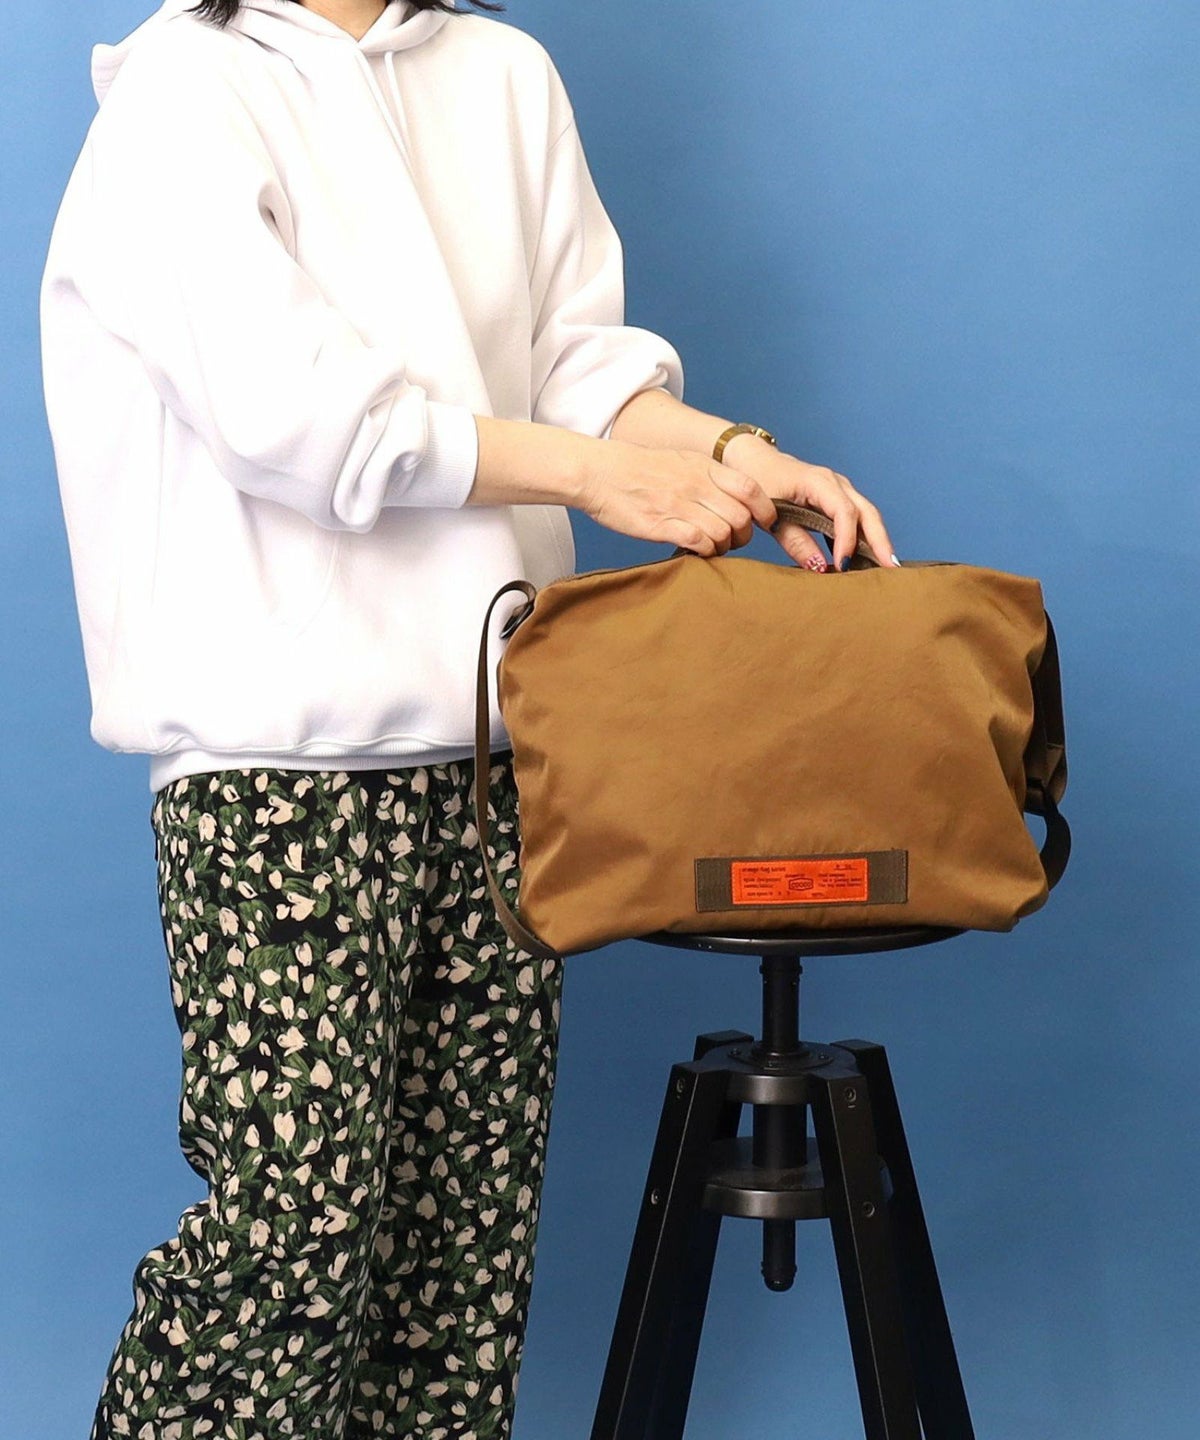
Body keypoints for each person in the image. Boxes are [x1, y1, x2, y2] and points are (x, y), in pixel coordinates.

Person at [39, 1, 901, 1436]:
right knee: (292, 1244)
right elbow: (304, 420)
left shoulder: (505, 74)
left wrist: (739, 455)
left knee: (460, 1269)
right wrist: (593, 479)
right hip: (276, 777)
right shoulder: (178, 96)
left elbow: (579, 365)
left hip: (503, 762)